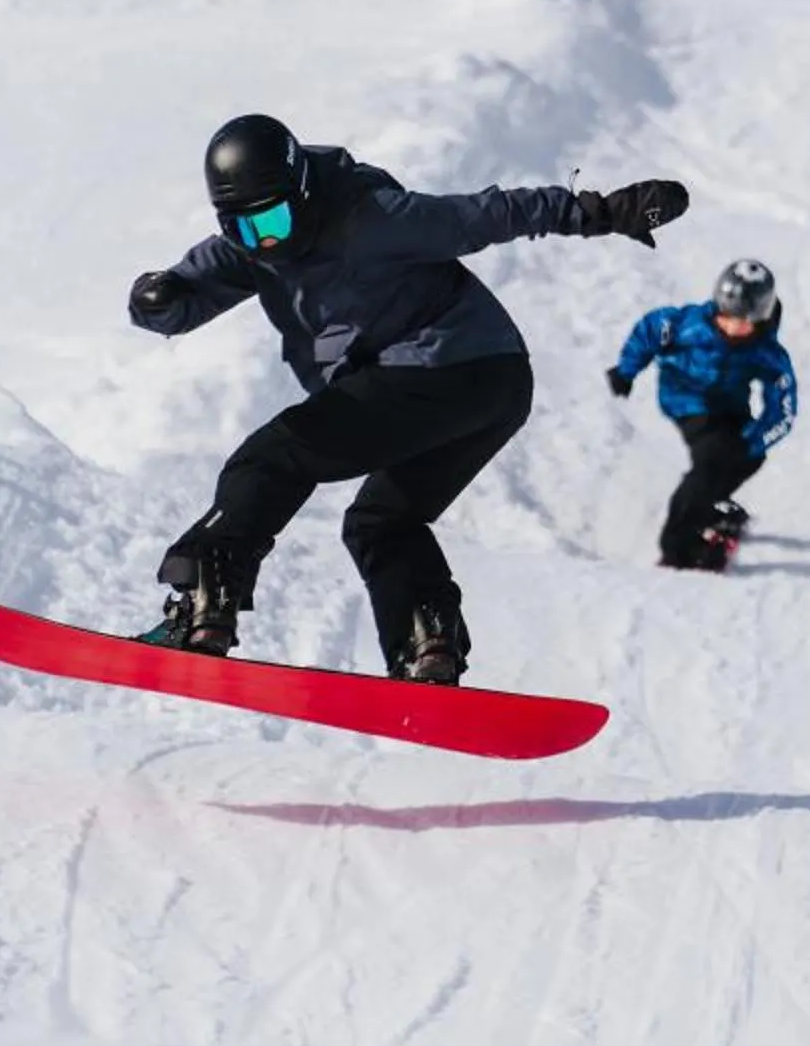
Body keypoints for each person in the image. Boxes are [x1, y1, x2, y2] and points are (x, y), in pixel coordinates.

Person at [127, 113, 688, 680]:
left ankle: (204, 608)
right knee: (382, 521)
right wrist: (157, 301)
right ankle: (427, 647)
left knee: (271, 457)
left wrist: (599, 212)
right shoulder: (252, 247)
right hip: (496, 385)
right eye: (245, 229)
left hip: (445, 368)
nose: (266, 240)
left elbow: (485, 214)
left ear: (299, 191)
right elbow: (184, 294)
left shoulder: (368, 217)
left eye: (272, 219)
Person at [607, 259, 799, 570]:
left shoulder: (767, 352)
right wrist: (626, 370)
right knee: (712, 460)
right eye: (727, 317)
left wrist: (752, 441)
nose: (733, 326)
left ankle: (708, 501)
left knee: (751, 457)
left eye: (744, 321)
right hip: (686, 401)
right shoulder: (688, 324)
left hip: (730, 407)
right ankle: (677, 545)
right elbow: (649, 331)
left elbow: (783, 409)